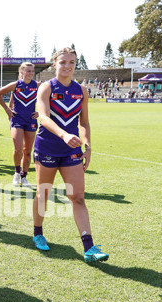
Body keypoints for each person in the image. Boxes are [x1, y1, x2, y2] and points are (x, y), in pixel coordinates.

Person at [33, 47, 108, 264]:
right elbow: (44, 118)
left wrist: (88, 145)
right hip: (47, 146)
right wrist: (64, 134)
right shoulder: (46, 88)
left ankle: (89, 247)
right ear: (54, 63)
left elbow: (83, 122)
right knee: (43, 193)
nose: (68, 66)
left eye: (72, 62)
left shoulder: (81, 91)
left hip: (72, 150)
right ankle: (38, 232)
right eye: (63, 62)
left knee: (78, 197)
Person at [0, 62, 39, 187]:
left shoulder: (37, 85)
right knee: (18, 148)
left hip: (31, 120)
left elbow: (50, 97)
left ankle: (24, 176)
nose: (30, 73)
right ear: (22, 72)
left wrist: (40, 111)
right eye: (28, 71)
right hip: (17, 119)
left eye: (32, 71)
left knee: (28, 151)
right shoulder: (16, 85)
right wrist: (8, 110)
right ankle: (16, 172)